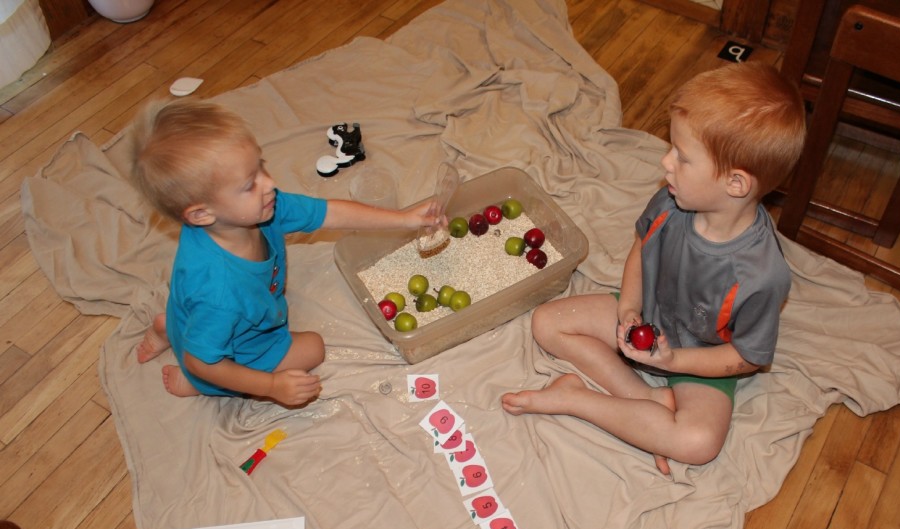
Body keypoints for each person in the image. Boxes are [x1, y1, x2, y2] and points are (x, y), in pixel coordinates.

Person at [502, 62, 806, 473]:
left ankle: (577, 400)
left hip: (703, 355)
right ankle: (644, 403)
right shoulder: (671, 202)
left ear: (735, 184)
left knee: (698, 443)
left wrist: (674, 363)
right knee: (547, 323)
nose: (665, 163)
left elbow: (747, 357)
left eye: (682, 157)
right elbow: (641, 251)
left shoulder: (761, 274)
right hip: (649, 314)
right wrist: (629, 309)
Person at [130, 99, 440, 407]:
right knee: (312, 349)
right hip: (220, 355)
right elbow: (202, 361)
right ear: (201, 214)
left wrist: (407, 218)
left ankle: (167, 328)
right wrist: (271, 385)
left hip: (187, 317)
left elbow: (329, 213)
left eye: (260, 166)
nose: (270, 182)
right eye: (250, 183)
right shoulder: (219, 293)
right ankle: (199, 386)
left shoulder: (260, 208)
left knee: (193, 325)